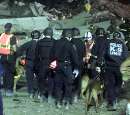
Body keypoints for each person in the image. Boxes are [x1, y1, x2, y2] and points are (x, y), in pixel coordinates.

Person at [52, 29, 79, 109]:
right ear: (69, 36)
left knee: (58, 85)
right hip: (67, 66)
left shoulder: (56, 43)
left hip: (57, 65)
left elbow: (51, 55)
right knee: (68, 85)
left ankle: (58, 102)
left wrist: (53, 66)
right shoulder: (70, 44)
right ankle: (66, 102)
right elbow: (75, 58)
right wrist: (76, 68)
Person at [104, 31, 128, 111]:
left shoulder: (108, 43)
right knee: (118, 84)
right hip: (119, 67)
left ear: (113, 36)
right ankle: (115, 98)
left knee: (110, 85)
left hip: (109, 67)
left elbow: (104, 54)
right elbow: (125, 57)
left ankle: (112, 101)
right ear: (119, 37)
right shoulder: (123, 45)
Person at [17, 30, 41, 97]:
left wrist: (21, 57)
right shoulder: (41, 43)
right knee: (38, 77)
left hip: (29, 62)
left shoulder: (29, 43)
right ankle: (37, 91)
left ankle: (30, 92)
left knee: (29, 78)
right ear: (39, 35)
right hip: (38, 62)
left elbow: (19, 50)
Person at [34, 27, 55, 103]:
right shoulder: (55, 42)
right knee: (51, 80)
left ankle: (41, 95)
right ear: (51, 33)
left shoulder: (39, 42)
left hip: (42, 63)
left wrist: (36, 67)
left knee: (41, 80)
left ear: (44, 33)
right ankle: (50, 95)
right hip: (52, 63)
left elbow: (36, 55)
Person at [0, 23, 17, 97]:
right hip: (9, 57)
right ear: (11, 28)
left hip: (2, 57)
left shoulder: (2, 35)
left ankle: (3, 89)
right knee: (10, 74)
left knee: (4, 73)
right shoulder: (12, 37)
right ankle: (9, 90)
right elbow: (14, 49)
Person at [71, 28, 86, 102]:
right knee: (79, 79)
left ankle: (71, 94)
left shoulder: (70, 42)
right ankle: (78, 94)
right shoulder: (82, 42)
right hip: (80, 63)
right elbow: (84, 56)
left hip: (71, 63)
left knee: (71, 78)